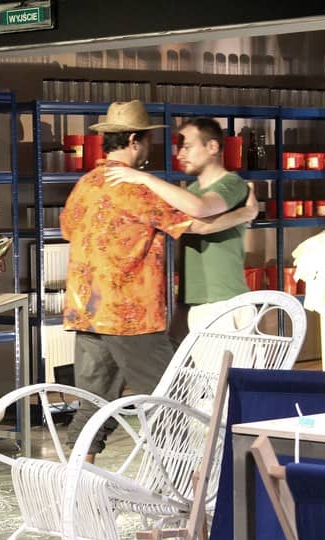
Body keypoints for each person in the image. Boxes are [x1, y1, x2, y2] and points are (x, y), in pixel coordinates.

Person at [60, 102, 257, 462]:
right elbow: (198, 224)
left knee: (92, 404)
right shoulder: (136, 188)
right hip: (130, 314)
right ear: (134, 141)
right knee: (169, 399)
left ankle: (77, 484)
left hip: (86, 311)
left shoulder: (85, 185)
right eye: (148, 140)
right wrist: (247, 212)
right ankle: (180, 485)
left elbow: (68, 229)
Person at [106, 117, 255, 333]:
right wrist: (246, 213)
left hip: (224, 301)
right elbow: (194, 225)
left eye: (187, 147)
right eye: (179, 148)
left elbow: (201, 210)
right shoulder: (190, 192)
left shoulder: (231, 183)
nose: (180, 155)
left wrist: (145, 178)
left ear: (212, 147)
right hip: (195, 302)